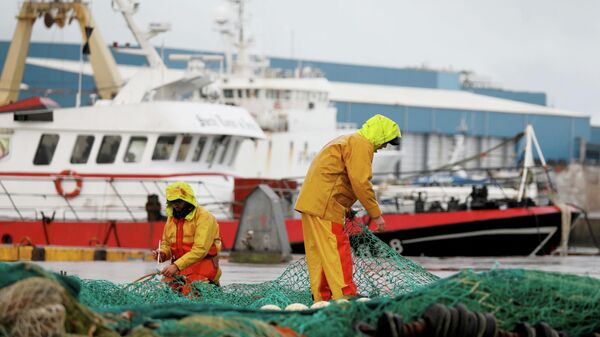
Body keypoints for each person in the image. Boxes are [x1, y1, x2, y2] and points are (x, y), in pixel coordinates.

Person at [295, 114, 401, 302]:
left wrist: (346, 209)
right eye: (387, 142)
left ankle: (322, 297)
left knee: (320, 253)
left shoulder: (348, 140)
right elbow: (360, 182)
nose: (385, 146)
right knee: (337, 248)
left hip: (312, 203)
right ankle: (345, 295)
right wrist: (376, 215)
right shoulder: (361, 144)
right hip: (326, 206)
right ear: (380, 134)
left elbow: (336, 178)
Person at [152, 182, 222, 294]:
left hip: (203, 270)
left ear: (188, 200)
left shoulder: (204, 217)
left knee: (189, 294)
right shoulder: (171, 218)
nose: (175, 205)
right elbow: (166, 244)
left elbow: (200, 250)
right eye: (172, 201)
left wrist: (176, 266)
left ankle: (212, 288)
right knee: (161, 292)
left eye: (179, 201)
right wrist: (162, 253)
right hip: (180, 271)